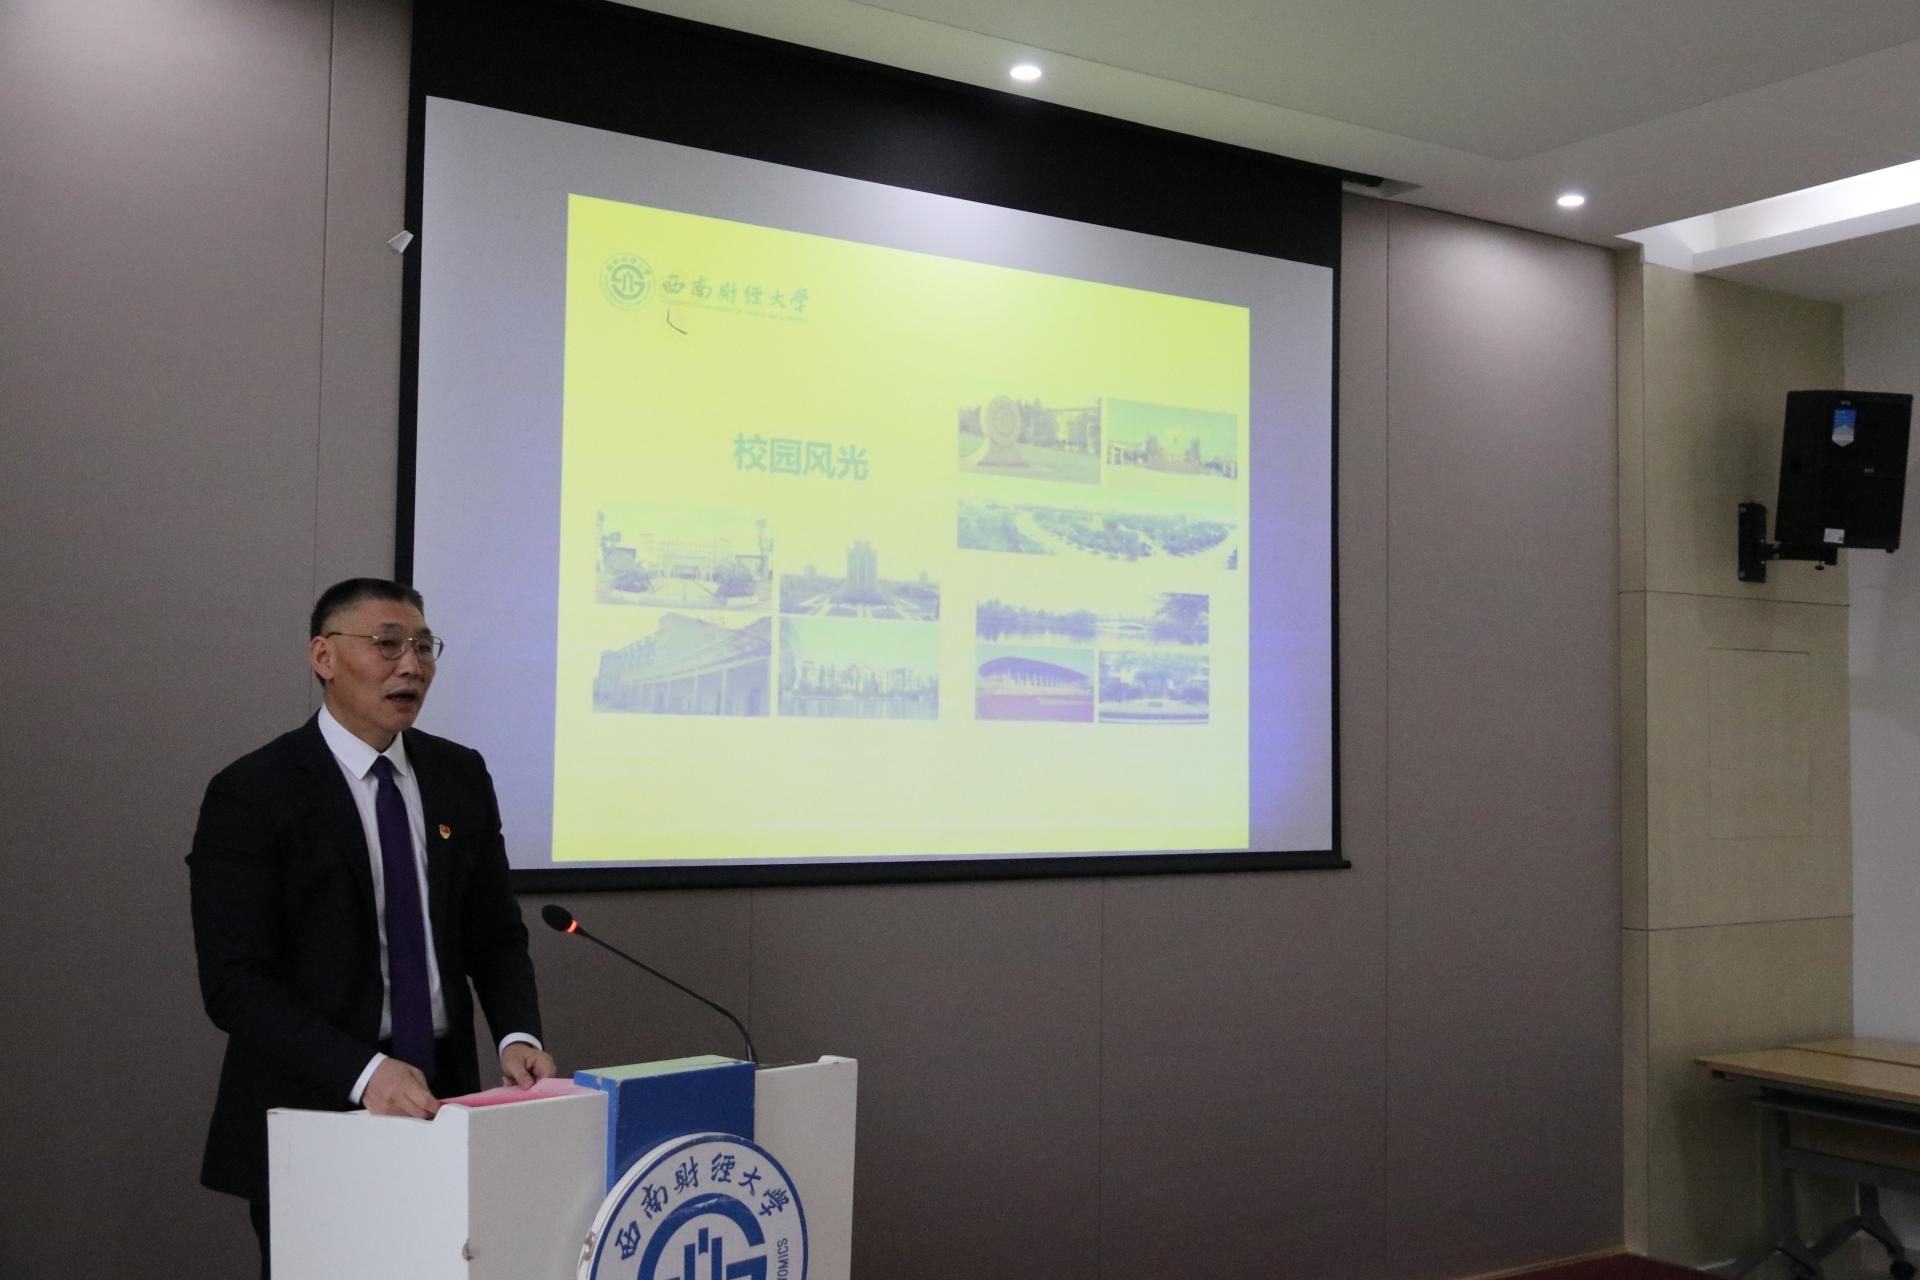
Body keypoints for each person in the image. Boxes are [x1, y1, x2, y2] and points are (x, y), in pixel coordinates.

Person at [188, 578, 555, 1277]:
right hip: (313, 1106)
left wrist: (517, 1033)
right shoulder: (254, 791)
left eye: (424, 646)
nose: (410, 665)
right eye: (387, 644)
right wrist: (365, 1073)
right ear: (324, 657)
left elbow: (494, 931)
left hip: (442, 1098)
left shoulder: (458, 774)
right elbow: (234, 982)